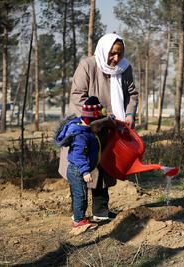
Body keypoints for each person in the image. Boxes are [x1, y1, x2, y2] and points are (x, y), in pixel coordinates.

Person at [58, 33, 138, 222]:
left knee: (103, 169)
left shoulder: (124, 68)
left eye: (119, 53)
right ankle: (79, 215)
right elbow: (78, 97)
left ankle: (100, 211)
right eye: (112, 53)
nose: (116, 58)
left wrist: (129, 114)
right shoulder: (87, 66)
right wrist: (100, 118)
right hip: (86, 129)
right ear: (104, 49)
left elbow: (132, 94)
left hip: (112, 129)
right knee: (81, 169)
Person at [55, 96, 107, 229]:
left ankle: (80, 217)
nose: (100, 129)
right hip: (77, 170)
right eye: (99, 125)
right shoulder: (81, 136)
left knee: (81, 194)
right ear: (90, 123)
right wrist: (85, 171)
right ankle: (78, 221)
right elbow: (78, 156)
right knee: (81, 196)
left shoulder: (85, 129)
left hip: (77, 169)